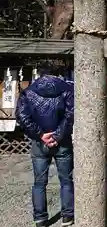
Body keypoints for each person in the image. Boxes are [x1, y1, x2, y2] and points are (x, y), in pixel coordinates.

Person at [15, 62, 75, 227]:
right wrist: (58, 134)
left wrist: (40, 134)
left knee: (39, 182)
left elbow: (22, 117)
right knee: (66, 180)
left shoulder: (28, 92)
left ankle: (40, 218)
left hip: (39, 142)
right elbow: (71, 115)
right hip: (62, 141)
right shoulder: (68, 89)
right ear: (58, 74)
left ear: (40, 74)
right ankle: (67, 217)